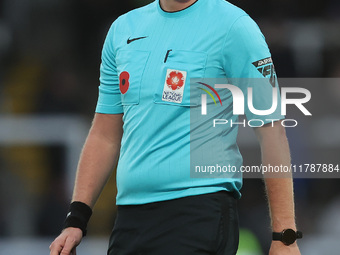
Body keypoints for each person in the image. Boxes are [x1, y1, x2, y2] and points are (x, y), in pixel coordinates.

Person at [50, 0, 302, 254]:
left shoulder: (234, 26)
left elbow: (273, 132)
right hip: (130, 218)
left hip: (200, 213)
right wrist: (76, 220)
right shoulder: (122, 30)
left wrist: (284, 237)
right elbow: (104, 135)